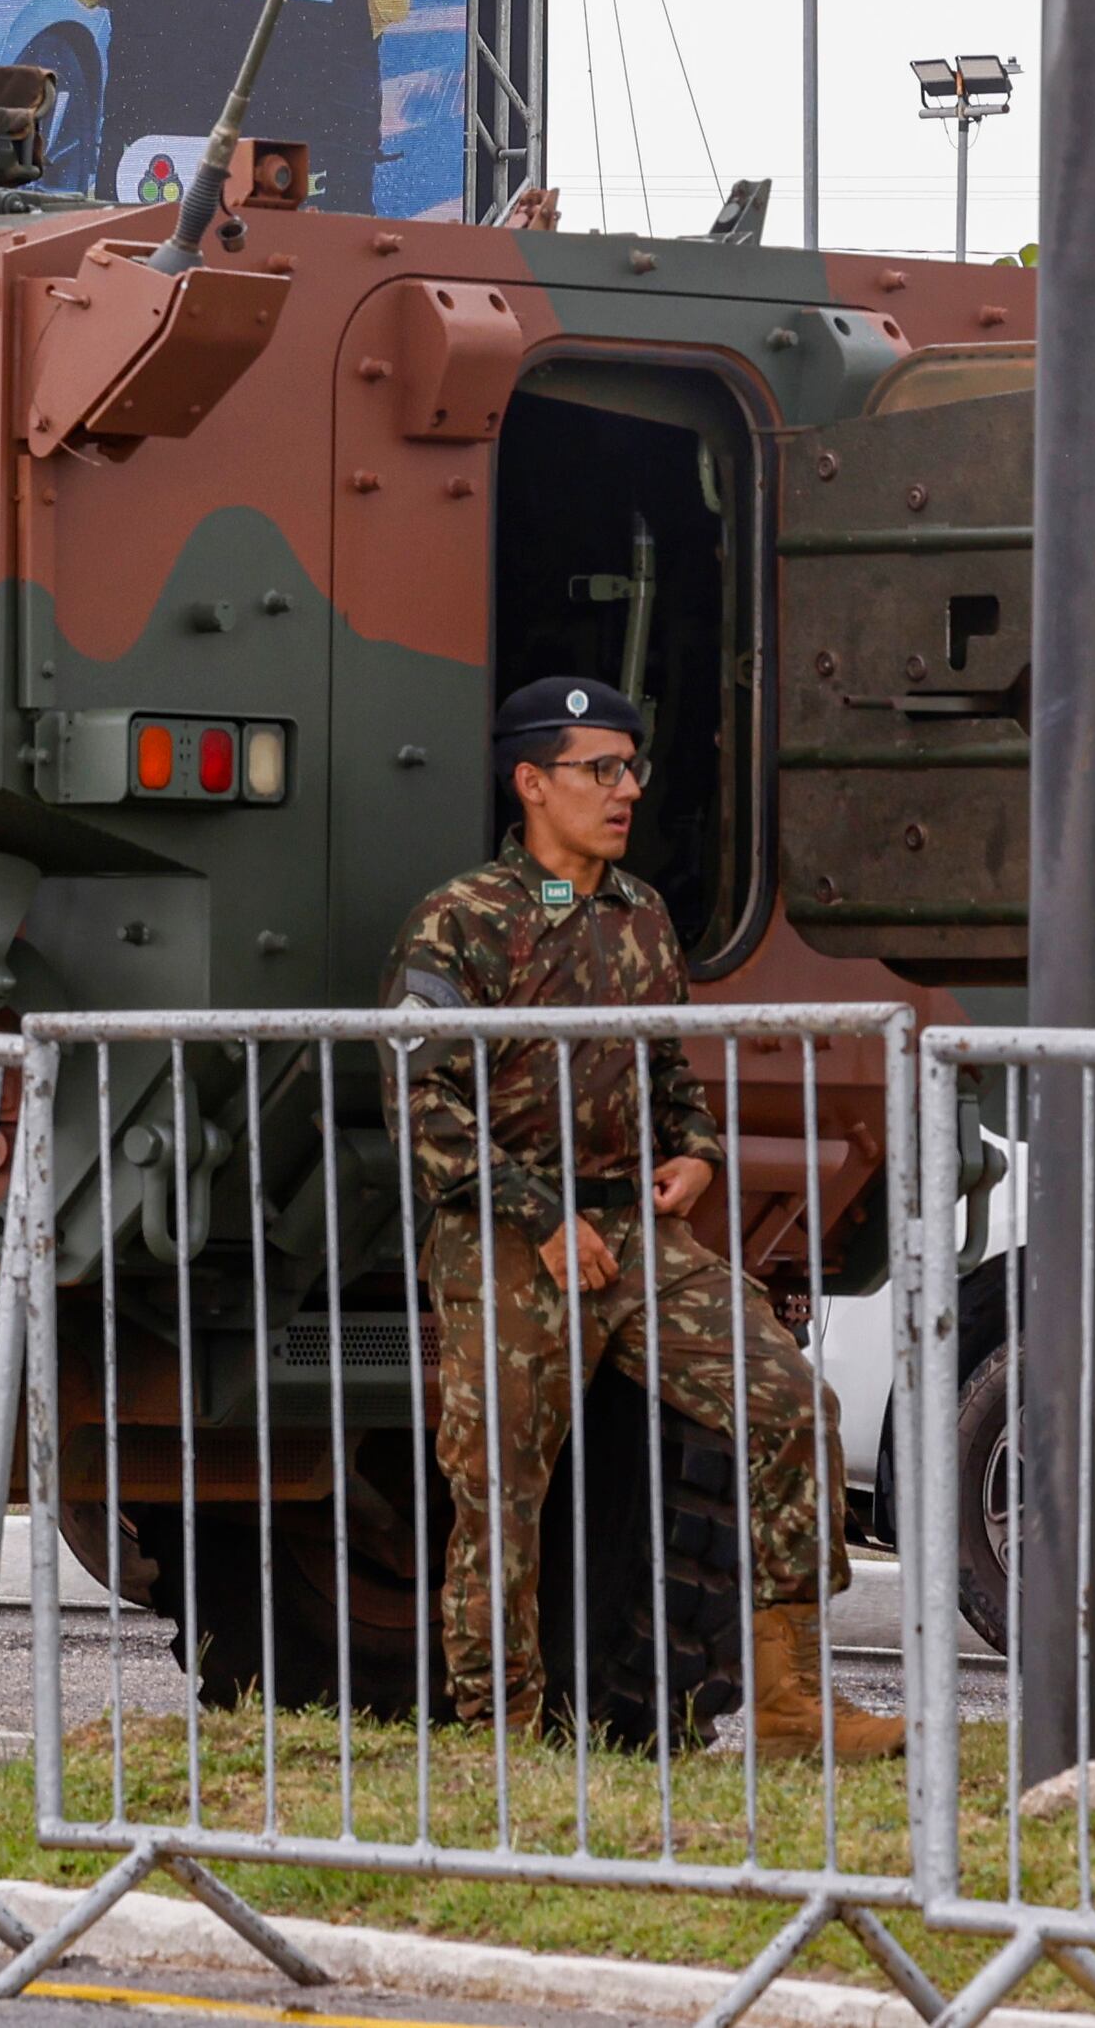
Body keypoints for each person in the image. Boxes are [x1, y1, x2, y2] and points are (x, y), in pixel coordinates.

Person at [388, 677, 898, 1758]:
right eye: (601, 770)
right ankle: (500, 1734)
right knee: (500, 1491)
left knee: (791, 1406)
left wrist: (697, 1152)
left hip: (637, 1238)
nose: (626, 791)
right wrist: (537, 1214)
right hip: (507, 1243)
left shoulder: (642, 914)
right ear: (532, 782)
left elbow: (665, 1065)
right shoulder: (461, 919)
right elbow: (419, 1102)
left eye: (633, 769)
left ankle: (792, 1705)